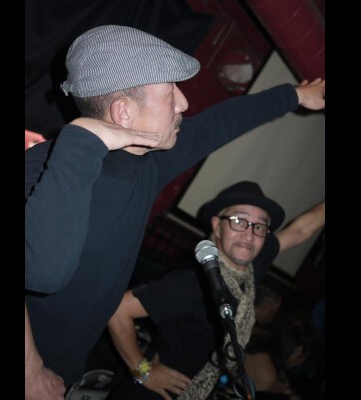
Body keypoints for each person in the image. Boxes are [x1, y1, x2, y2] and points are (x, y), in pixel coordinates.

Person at [25, 24, 325, 399]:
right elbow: (44, 272)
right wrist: (31, 370)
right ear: (123, 112)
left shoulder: (149, 163)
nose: (183, 103)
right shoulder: (43, 169)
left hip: (63, 373)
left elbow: (221, 123)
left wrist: (296, 95)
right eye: (170, 91)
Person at [107, 181, 325, 400]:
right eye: (238, 221)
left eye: (259, 226)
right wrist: (143, 372)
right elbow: (118, 310)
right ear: (217, 226)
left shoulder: (251, 264)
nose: (248, 234)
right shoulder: (194, 282)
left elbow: (300, 230)